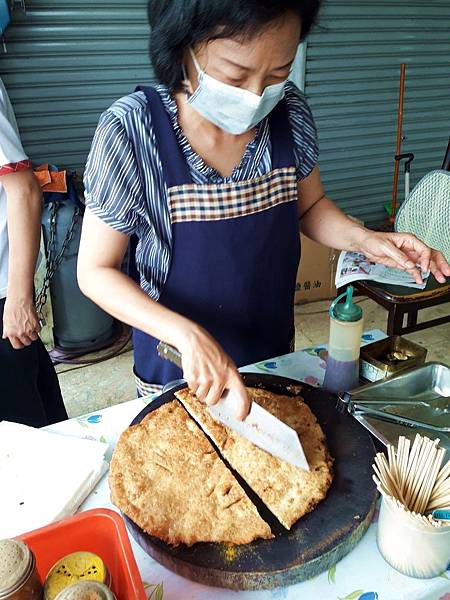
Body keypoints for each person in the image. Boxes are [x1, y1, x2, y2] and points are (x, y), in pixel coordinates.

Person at [77, 0, 450, 420]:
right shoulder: (132, 131)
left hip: (271, 360)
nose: (257, 96)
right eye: (236, 74)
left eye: (278, 73)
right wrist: (186, 335)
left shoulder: (288, 112)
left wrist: (367, 240)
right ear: (182, 49)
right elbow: (95, 271)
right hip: (179, 369)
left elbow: (309, 206)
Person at [0, 77, 67, 427]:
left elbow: (24, 190)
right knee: (45, 418)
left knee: (23, 436)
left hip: (2, 299)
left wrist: (19, 298)